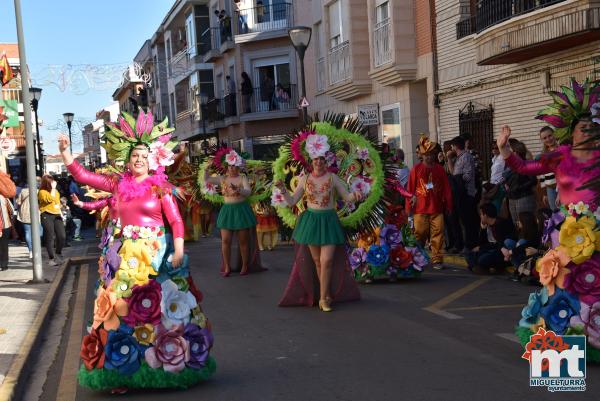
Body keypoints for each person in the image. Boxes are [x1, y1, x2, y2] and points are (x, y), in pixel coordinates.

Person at [59, 109, 215, 392]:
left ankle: (168, 364)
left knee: (161, 306)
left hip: (155, 254)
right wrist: (67, 155)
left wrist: (178, 249)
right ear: (128, 161)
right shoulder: (118, 184)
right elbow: (84, 176)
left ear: (151, 159)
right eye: (134, 157)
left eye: (144, 156)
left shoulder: (161, 188)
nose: (139, 160)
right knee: (122, 309)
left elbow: (176, 221)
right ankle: (124, 370)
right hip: (124, 256)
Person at [275, 134, 362, 312]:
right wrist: (283, 190)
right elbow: (292, 201)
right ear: (311, 160)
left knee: (327, 260)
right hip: (311, 222)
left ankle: (323, 299)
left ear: (326, 160)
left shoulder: (333, 178)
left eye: (322, 159)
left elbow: (346, 197)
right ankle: (325, 293)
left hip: (329, 221)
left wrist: (357, 195)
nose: (319, 162)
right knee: (317, 261)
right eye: (316, 159)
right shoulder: (305, 179)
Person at [204, 149, 256, 276]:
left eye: (235, 166)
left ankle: (244, 265)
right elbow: (207, 180)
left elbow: (248, 192)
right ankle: (226, 266)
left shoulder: (242, 178)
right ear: (226, 167)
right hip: (227, 211)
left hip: (241, 211)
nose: (232, 168)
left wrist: (239, 190)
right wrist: (207, 168)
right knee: (225, 240)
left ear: (238, 167)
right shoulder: (222, 179)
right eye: (230, 166)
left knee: (243, 242)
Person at [405, 135, 453, 270]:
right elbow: (410, 191)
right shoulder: (415, 169)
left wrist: (449, 204)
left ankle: (437, 259)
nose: (428, 157)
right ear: (421, 155)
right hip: (420, 209)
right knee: (419, 234)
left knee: (438, 233)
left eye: (431, 154)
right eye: (426, 154)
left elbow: (446, 188)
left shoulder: (439, 170)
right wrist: (409, 209)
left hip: (437, 208)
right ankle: (416, 257)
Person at [466, 203, 516, 273]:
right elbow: (481, 243)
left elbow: (499, 244)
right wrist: (483, 228)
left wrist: (481, 248)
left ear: (485, 215)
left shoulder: (501, 224)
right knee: (469, 253)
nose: (480, 216)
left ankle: (477, 266)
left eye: (481, 214)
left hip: (501, 252)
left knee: (482, 259)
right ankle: (478, 267)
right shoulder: (488, 225)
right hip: (491, 249)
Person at [450, 135, 479, 251]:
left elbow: (468, 175)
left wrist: (458, 178)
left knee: (468, 222)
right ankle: (461, 244)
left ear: (456, 146)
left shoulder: (466, 157)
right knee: (459, 220)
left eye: (452, 146)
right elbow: (453, 173)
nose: (451, 148)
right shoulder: (458, 158)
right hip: (459, 194)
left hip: (466, 193)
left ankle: (470, 245)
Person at [504, 138, 538, 226]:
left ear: (515, 151)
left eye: (508, 147)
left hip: (523, 197)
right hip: (511, 198)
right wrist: (506, 185)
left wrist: (518, 187)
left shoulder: (525, 162)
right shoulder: (508, 163)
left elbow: (533, 180)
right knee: (516, 224)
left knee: (526, 225)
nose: (506, 149)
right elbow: (507, 178)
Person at [38, 175, 66, 267]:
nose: (53, 183)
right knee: (50, 237)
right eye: (51, 182)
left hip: (57, 214)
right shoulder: (42, 192)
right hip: (46, 215)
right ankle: (51, 259)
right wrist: (53, 189)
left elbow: (57, 202)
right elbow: (50, 199)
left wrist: (61, 214)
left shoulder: (56, 191)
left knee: (62, 236)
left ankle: (58, 253)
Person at [536, 126, 559, 210]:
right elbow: (542, 175)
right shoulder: (543, 155)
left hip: (562, 188)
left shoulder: (561, 150)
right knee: (555, 214)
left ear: (554, 134)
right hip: (550, 189)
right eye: (544, 138)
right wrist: (544, 193)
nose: (548, 139)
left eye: (550, 136)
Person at [16, 182, 35, 258]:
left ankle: (31, 251)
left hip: (25, 213)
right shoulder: (37, 191)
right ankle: (35, 248)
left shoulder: (23, 191)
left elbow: (18, 202)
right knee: (38, 232)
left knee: (27, 232)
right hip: (36, 214)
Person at [0, 193, 14, 271]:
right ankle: (4, 265)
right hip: (6, 225)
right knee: (4, 245)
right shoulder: (4, 198)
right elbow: (11, 209)